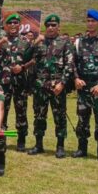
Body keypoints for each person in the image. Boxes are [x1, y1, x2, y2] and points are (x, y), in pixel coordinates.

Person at [28, 14, 75, 158]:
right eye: (48, 25)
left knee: (59, 116)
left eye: (54, 25)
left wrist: (62, 83)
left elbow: (70, 64)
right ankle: (38, 144)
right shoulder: (40, 43)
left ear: (58, 27)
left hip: (57, 87)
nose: (50, 28)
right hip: (40, 86)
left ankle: (60, 146)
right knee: (39, 116)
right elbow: (27, 58)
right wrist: (35, 42)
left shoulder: (65, 42)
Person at [72, 9, 98, 162]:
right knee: (82, 118)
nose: (90, 24)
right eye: (88, 21)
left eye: (93, 21)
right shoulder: (80, 41)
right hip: (83, 86)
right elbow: (73, 62)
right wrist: (76, 78)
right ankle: (81, 148)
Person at [0, 13, 34, 151]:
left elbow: (34, 59)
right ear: (5, 26)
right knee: (2, 110)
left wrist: (23, 67)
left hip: (20, 81)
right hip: (4, 82)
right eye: (10, 23)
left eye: (16, 23)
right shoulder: (0, 41)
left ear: (19, 25)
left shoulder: (26, 42)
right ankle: (1, 138)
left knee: (21, 111)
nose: (13, 25)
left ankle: (21, 140)